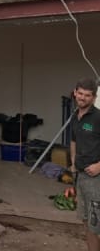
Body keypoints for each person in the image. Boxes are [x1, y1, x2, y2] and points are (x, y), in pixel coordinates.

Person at [71, 78, 100, 251]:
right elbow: (74, 140)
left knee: (96, 225)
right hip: (81, 176)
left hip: (96, 179)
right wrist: (73, 163)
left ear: (94, 97)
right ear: (75, 92)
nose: (82, 98)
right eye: (80, 93)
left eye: (87, 95)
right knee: (87, 223)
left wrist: (99, 166)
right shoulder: (76, 116)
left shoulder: (98, 117)